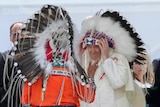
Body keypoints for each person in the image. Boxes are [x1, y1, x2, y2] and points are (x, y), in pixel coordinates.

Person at [4, 5, 96, 107]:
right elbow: (26, 100)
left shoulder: (72, 66)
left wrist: (88, 74)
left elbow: (88, 97)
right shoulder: (36, 65)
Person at [76, 10, 147, 107]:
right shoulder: (85, 62)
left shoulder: (119, 59)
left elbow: (118, 82)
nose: (92, 50)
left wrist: (106, 58)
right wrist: (80, 58)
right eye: (89, 46)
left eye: (96, 46)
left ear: (105, 44)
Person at [0, 22, 25, 107]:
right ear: (10, 37)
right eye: (15, 34)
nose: (19, 37)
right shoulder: (3, 59)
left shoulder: (38, 60)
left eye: (22, 33)